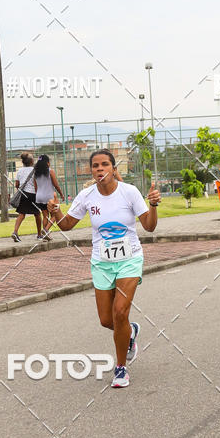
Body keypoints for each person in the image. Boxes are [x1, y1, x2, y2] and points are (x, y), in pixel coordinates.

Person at [47, 148, 161, 388]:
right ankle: (130, 332)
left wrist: (153, 206)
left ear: (113, 169)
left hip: (129, 259)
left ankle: (120, 368)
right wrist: (56, 211)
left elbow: (149, 227)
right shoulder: (87, 195)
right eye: (95, 165)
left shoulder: (129, 192)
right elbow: (67, 225)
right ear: (91, 170)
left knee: (120, 312)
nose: (100, 169)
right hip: (101, 262)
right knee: (107, 320)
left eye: (104, 165)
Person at [11, 153, 42, 242]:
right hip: (33, 194)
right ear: (32, 161)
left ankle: (15, 232)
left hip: (23, 194)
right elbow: (36, 184)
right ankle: (39, 234)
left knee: (21, 214)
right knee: (37, 214)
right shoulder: (35, 170)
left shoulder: (20, 171)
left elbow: (17, 184)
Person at [34, 155, 64, 236]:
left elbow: (35, 187)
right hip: (48, 196)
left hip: (39, 196)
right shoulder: (50, 171)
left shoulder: (36, 173)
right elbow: (56, 185)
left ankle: (45, 235)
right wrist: (61, 194)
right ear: (47, 163)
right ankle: (46, 230)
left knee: (45, 216)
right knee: (55, 215)